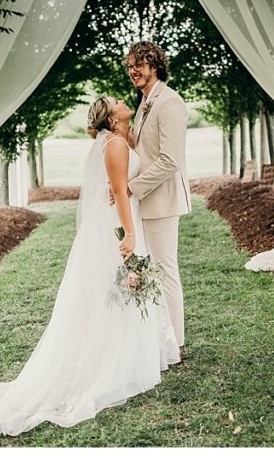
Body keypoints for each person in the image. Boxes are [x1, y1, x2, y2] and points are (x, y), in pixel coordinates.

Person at [0, 97, 180, 444]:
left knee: (125, 291)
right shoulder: (115, 144)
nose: (123, 100)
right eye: (118, 102)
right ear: (111, 116)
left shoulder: (121, 138)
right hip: (118, 225)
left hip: (122, 218)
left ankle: (133, 353)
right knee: (119, 289)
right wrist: (130, 234)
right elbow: (119, 190)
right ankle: (113, 361)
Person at [123, 41, 191, 357]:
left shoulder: (169, 103)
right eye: (129, 66)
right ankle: (159, 338)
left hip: (161, 199)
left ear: (155, 65)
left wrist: (132, 188)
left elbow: (170, 160)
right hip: (148, 200)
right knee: (153, 270)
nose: (133, 70)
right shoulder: (146, 102)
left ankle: (175, 344)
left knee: (165, 271)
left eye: (139, 64)